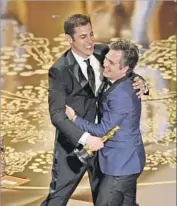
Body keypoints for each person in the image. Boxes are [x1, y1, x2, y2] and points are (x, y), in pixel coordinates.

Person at [41, 14, 147, 206]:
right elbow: (57, 115)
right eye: (83, 37)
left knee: (107, 199)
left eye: (91, 34)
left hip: (106, 147)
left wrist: (142, 83)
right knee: (57, 198)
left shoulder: (103, 52)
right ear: (69, 39)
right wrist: (86, 139)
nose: (90, 42)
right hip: (74, 145)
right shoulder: (59, 70)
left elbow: (125, 67)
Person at [66, 39, 145, 206]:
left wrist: (74, 118)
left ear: (124, 69)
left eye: (111, 62)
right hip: (128, 160)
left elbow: (102, 130)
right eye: (106, 58)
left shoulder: (121, 95)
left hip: (122, 164)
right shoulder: (125, 77)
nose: (105, 63)